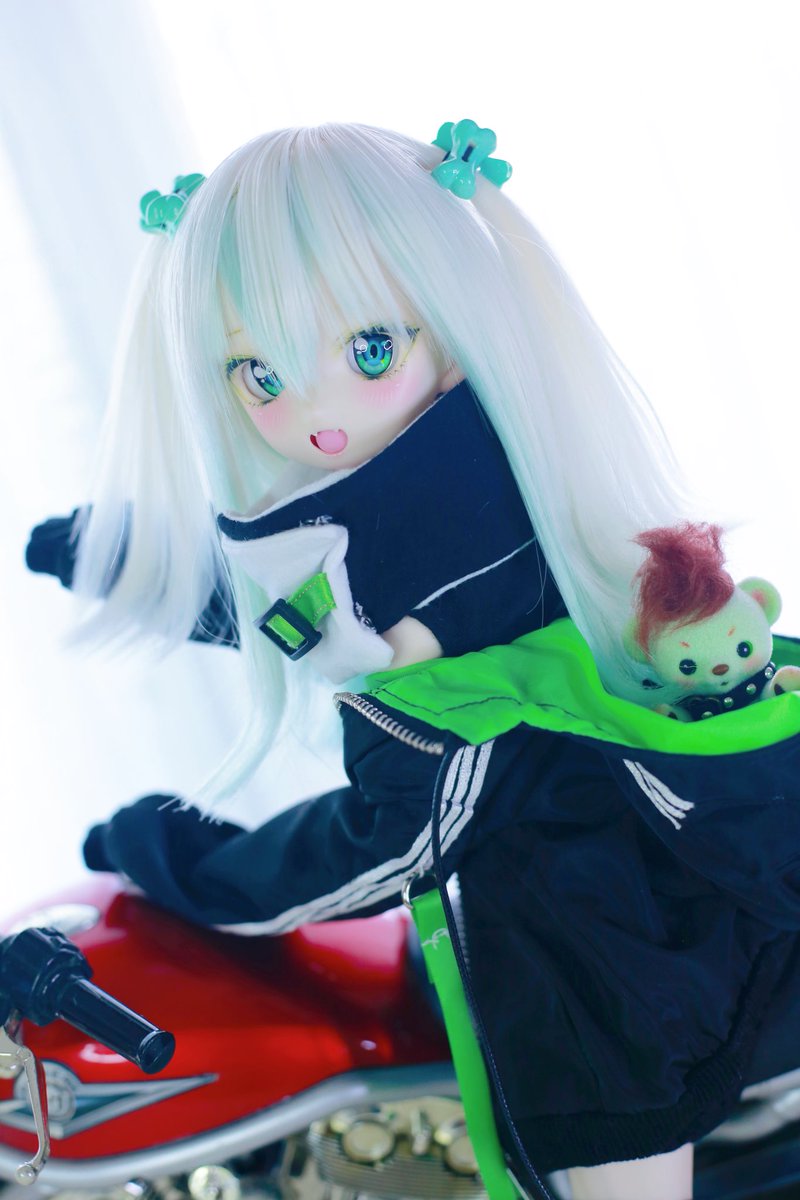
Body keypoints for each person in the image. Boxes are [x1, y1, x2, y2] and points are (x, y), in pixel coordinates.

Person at [29, 121, 799, 1200]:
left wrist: (181, 867)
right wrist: (122, 560)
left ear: (447, 318)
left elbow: (391, 835)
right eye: (259, 373)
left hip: (609, 978)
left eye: (367, 351)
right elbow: (290, 603)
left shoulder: (439, 583)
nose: (314, 416)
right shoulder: (511, 463)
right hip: (687, 914)